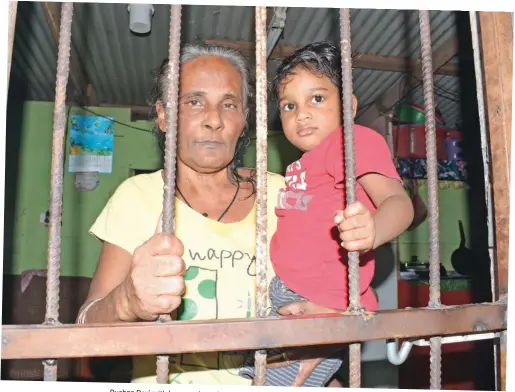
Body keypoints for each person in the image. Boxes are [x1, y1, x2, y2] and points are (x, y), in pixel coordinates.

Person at [76, 44, 291, 385]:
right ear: (164, 116)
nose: (214, 119)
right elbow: (85, 331)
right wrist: (126, 302)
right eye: (194, 101)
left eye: (229, 104)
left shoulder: (282, 194)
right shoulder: (137, 198)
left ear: (244, 117)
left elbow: (331, 298)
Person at [239, 42, 415, 387]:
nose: (301, 113)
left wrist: (373, 231)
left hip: (323, 301)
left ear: (347, 106)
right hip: (286, 294)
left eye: (316, 99)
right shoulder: (299, 165)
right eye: (289, 106)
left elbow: (399, 202)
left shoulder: (351, 142)